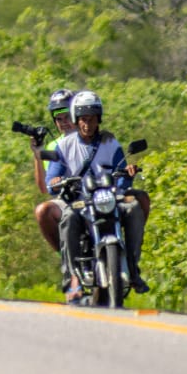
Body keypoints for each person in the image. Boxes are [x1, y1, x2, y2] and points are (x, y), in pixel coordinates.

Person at [45, 90, 148, 302]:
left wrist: (126, 175)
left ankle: (133, 267)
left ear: (98, 119)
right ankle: (71, 278)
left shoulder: (111, 143)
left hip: (109, 199)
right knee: (68, 220)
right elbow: (51, 180)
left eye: (91, 119)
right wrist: (57, 182)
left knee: (134, 208)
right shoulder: (64, 146)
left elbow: (121, 172)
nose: (87, 124)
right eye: (83, 119)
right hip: (80, 201)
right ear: (76, 120)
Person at [30, 89, 77, 277]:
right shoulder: (53, 146)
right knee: (43, 211)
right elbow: (44, 188)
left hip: (95, 195)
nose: (64, 122)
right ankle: (67, 258)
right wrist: (37, 155)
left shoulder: (93, 138)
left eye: (68, 116)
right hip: (67, 200)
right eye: (59, 118)